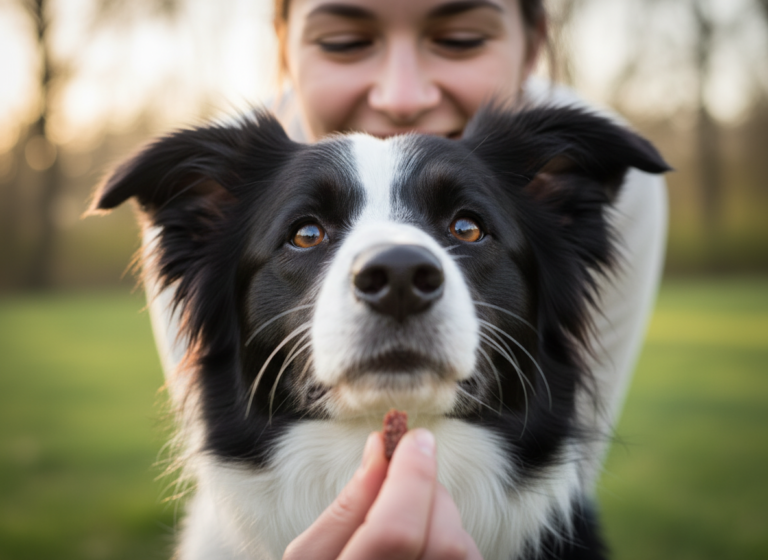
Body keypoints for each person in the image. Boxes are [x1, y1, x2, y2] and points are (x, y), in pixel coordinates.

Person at [146, 0, 667, 558]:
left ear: (535, 43)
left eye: (467, 227)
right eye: (304, 234)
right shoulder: (222, 192)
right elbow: (208, 399)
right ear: (283, 45)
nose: (401, 98)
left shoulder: (587, 171)